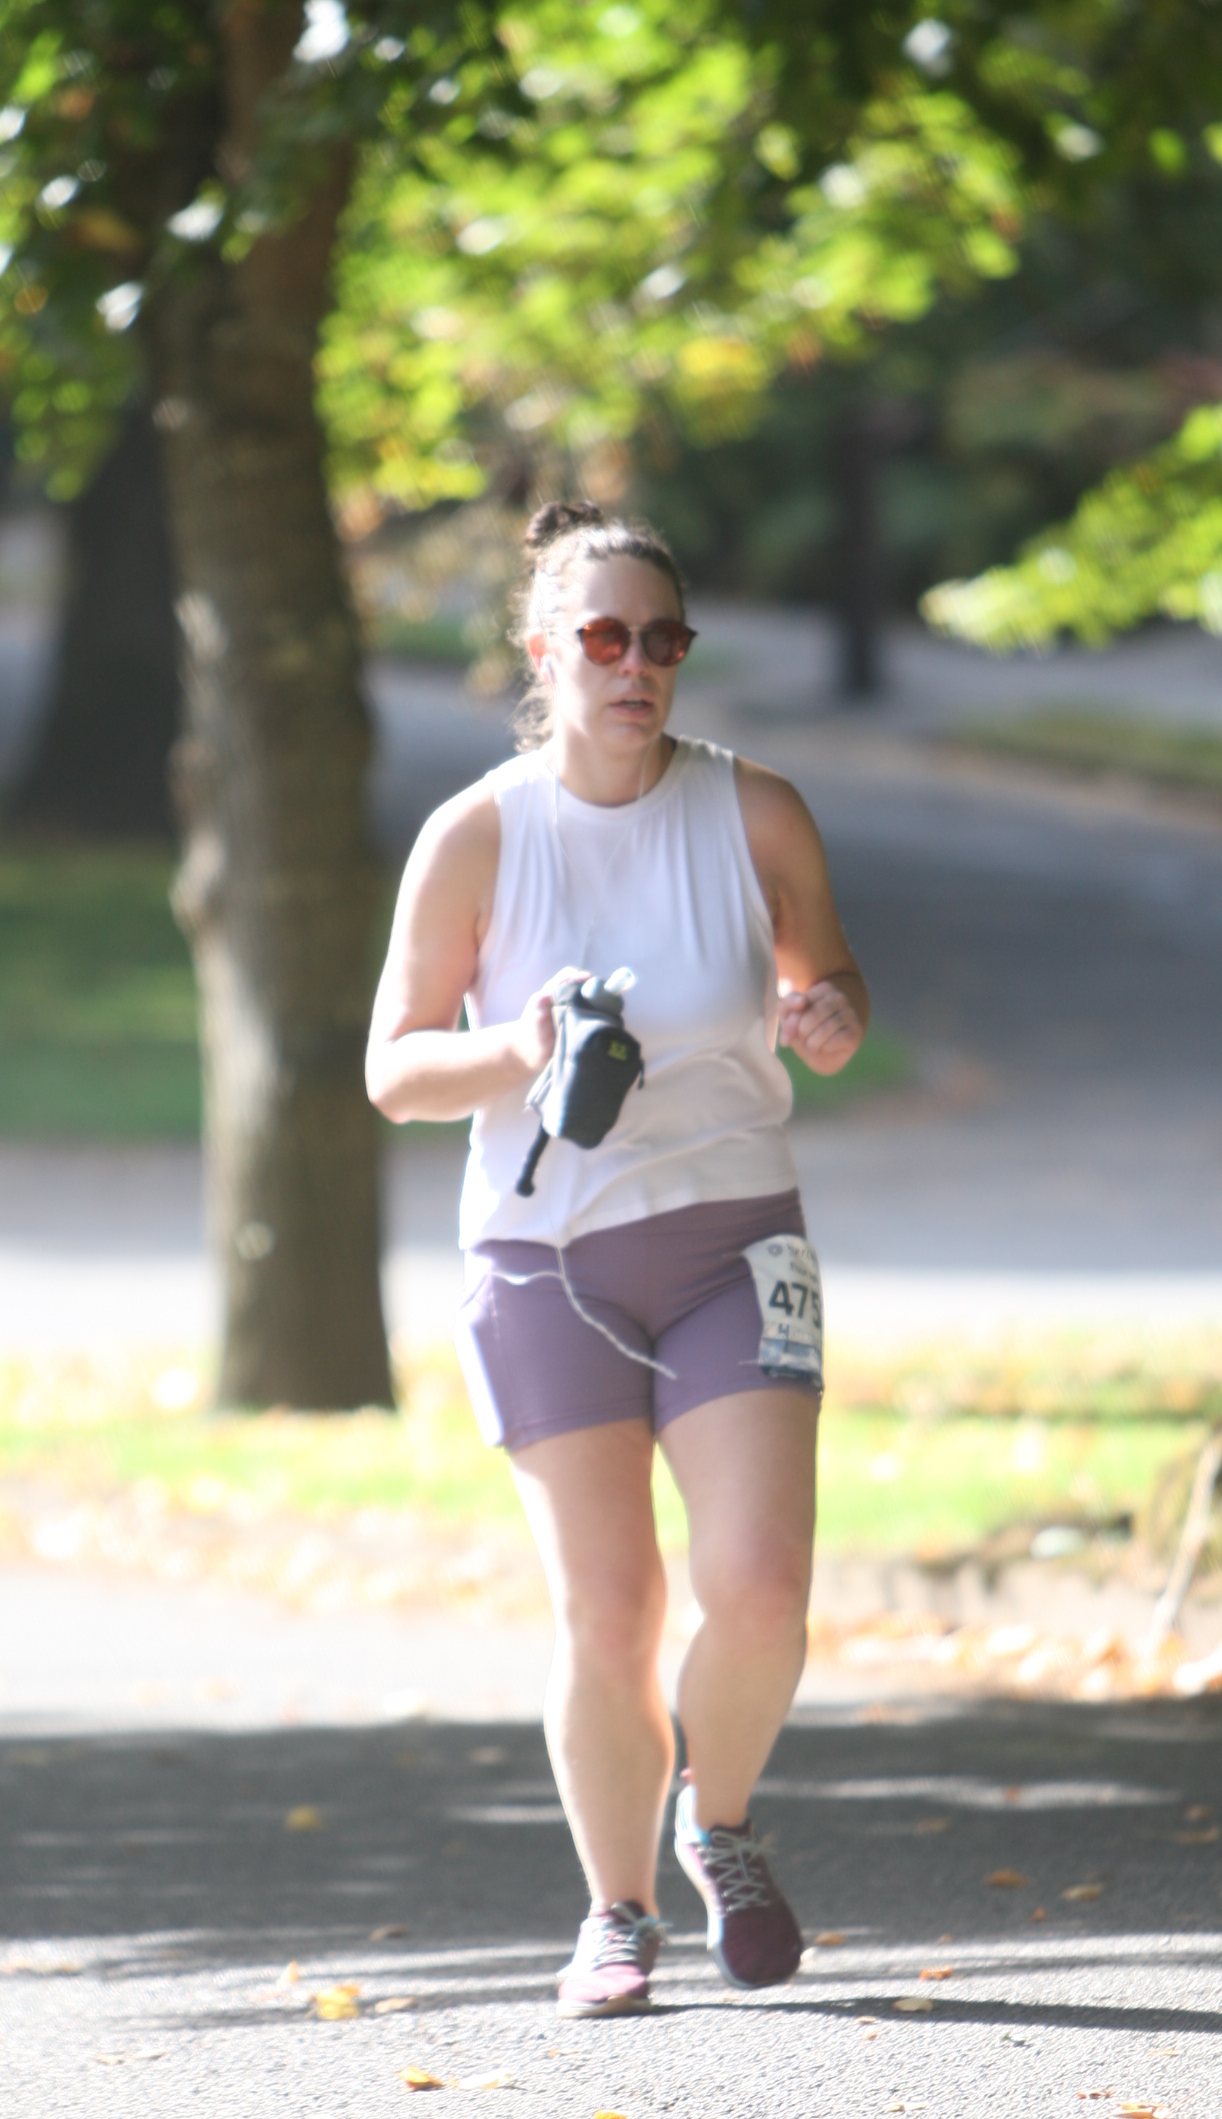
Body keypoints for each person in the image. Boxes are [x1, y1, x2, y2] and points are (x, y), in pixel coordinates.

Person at [365, 501, 870, 2018]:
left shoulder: (755, 812)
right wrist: (518, 1047)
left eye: (663, 639)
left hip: (734, 1238)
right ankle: (616, 1913)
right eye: (603, 636)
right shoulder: (479, 835)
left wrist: (830, 1014)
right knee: (613, 1611)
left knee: (760, 1585)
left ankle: (720, 1825)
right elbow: (393, 1070)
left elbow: (830, 986)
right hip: (544, 1261)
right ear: (544, 652)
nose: (636, 664)